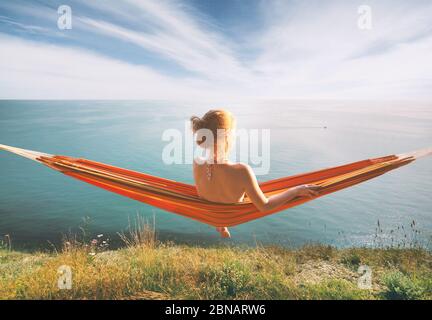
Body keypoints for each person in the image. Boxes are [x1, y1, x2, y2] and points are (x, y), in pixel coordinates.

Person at [191, 110, 320, 238]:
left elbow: (209, 194)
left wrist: (219, 219)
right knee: (245, 188)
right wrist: (296, 191)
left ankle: (220, 224)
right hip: (230, 215)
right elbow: (265, 206)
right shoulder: (241, 171)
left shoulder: (197, 163)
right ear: (226, 137)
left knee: (227, 190)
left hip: (212, 215)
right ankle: (222, 223)